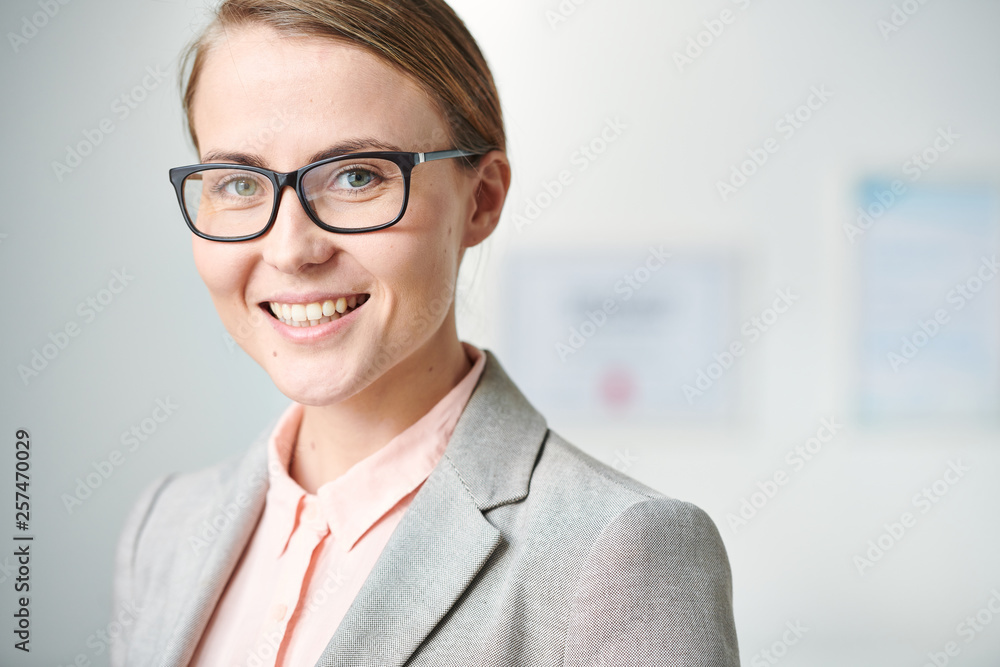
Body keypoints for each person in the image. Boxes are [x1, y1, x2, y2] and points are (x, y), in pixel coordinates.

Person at [110, 1, 740, 665]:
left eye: (357, 176)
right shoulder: (163, 528)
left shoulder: (620, 554)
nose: (291, 248)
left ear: (482, 199)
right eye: (239, 182)